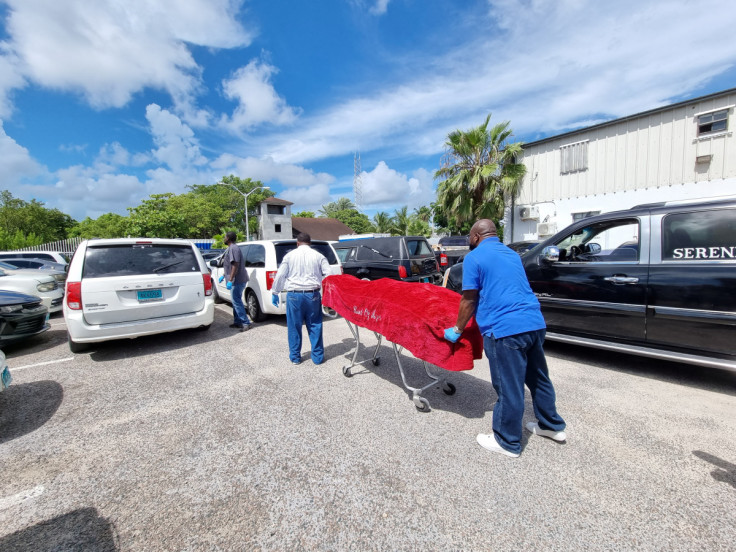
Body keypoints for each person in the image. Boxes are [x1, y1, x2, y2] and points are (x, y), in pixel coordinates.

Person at [443, 219, 566, 458]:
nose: (469, 241)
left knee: (508, 386)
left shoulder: (474, 257)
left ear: (476, 236)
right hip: (534, 322)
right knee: (538, 378)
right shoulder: (512, 255)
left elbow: (469, 298)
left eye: (469, 236)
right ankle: (551, 426)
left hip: (505, 330)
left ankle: (507, 441)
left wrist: (457, 329)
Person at [271, 233, 331, 365]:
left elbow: (280, 275)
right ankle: (318, 358)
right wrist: (327, 293)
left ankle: (295, 357)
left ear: (297, 243)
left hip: (294, 295)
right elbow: (329, 275)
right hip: (313, 294)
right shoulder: (319, 256)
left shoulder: (289, 256)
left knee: (294, 326)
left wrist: (275, 292)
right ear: (310, 243)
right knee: (315, 325)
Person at [219, 231, 252, 332]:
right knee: (235, 301)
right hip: (234, 279)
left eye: (225, 237)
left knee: (236, 301)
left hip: (237, 280)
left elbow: (235, 265)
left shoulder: (233, 248)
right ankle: (237, 321)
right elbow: (229, 266)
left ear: (228, 238)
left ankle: (245, 322)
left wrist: (230, 280)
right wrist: (224, 275)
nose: (224, 238)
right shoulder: (230, 248)